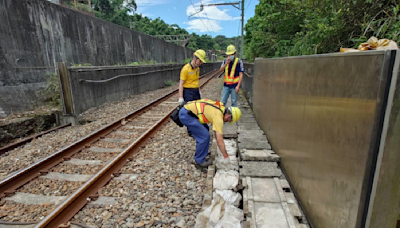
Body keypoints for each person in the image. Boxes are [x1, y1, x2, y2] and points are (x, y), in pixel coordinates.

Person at [178, 99, 242, 169]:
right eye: (229, 120)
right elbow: (219, 141)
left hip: (189, 111)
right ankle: (199, 161)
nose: (227, 122)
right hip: (187, 115)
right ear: (229, 116)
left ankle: (203, 152)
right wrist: (226, 156)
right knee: (204, 136)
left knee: (205, 130)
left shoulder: (220, 107)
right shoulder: (218, 117)